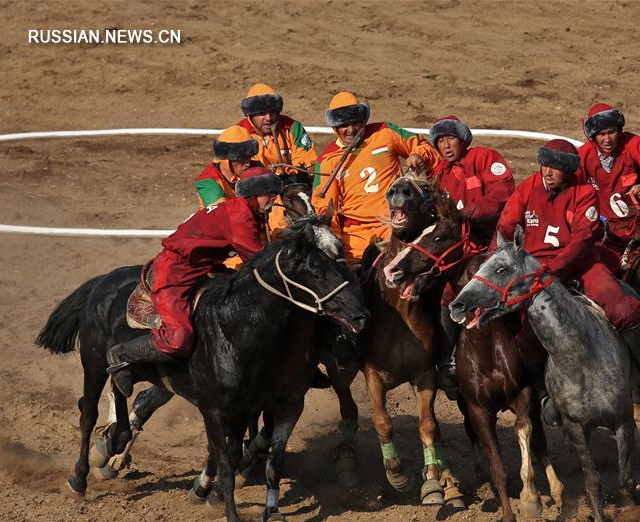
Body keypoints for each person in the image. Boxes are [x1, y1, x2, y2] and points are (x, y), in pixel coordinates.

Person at [497, 140, 640, 426]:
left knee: (623, 308)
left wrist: (554, 270)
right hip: (538, 269)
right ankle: (544, 395)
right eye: (546, 165)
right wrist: (508, 257)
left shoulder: (584, 193)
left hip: (581, 265)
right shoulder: (528, 187)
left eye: (556, 168)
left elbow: (582, 240)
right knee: (526, 335)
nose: (548, 172)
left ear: (569, 171)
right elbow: (506, 225)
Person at [107, 167, 281, 396]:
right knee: (179, 339)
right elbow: (260, 260)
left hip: (204, 267)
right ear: (254, 194)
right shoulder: (240, 216)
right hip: (175, 271)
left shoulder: (243, 211)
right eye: (269, 195)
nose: (273, 199)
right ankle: (121, 355)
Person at [428, 115, 516, 394]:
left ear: (462, 139)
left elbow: (503, 195)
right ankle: (446, 361)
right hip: (458, 250)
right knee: (441, 291)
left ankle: (527, 357)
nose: (446, 146)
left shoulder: (485, 157)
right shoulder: (439, 174)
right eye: (440, 141)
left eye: (450, 139)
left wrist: (467, 214)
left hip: (491, 244)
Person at [311, 91, 438, 263]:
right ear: (334, 128)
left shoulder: (385, 133)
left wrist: (418, 156)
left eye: (355, 123)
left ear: (363, 121)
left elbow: (424, 146)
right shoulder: (326, 160)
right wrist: (334, 243)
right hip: (355, 237)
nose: (351, 130)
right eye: (344, 125)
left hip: (396, 224)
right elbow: (325, 209)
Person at [578, 104, 640, 272]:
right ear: (592, 135)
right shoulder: (582, 156)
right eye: (601, 134)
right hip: (604, 231)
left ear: (619, 130)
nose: (607, 139)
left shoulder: (634, 143)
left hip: (639, 224)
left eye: (611, 132)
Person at [236, 83, 317, 180]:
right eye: (262, 113)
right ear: (250, 115)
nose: (268, 118)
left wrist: (296, 173)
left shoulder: (292, 128)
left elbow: (308, 163)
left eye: (272, 112)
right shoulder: (238, 134)